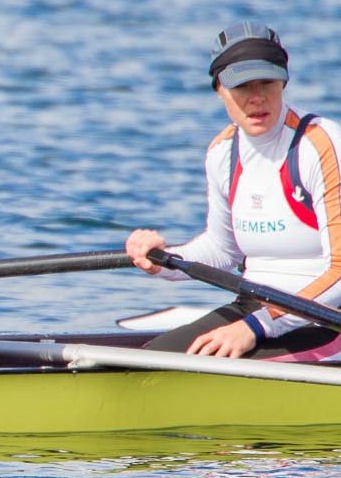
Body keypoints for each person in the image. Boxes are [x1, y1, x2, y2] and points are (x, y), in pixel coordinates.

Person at [124, 23, 341, 360]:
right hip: (254, 308)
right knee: (150, 359)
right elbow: (223, 251)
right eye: (242, 86)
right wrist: (163, 261)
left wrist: (256, 327)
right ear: (219, 90)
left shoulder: (321, 146)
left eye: (267, 82)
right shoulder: (222, 153)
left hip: (327, 317)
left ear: (283, 81)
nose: (257, 98)